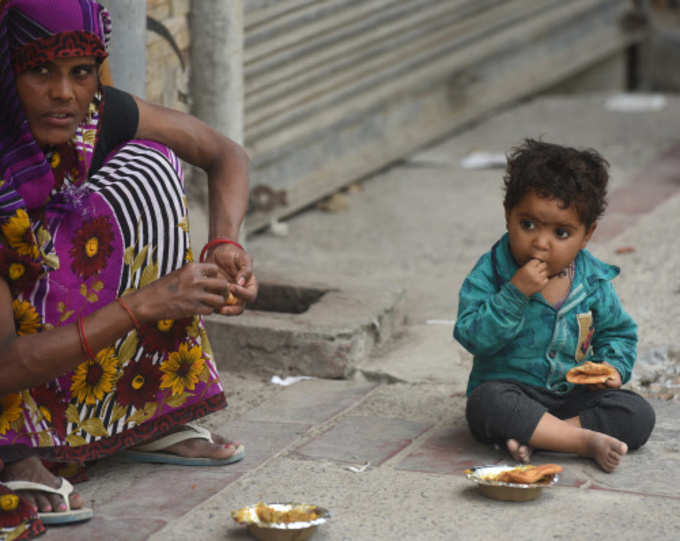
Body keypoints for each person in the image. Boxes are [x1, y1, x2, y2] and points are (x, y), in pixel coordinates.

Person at [0, 0, 257, 530]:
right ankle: (11, 447)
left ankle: (148, 410)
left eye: (81, 72)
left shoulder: (92, 115)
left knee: (151, 163)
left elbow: (225, 154)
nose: (63, 94)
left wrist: (224, 245)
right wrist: (146, 303)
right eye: (38, 71)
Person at [454, 138, 655, 473]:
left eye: (561, 233)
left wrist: (613, 368)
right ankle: (581, 441)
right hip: (512, 392)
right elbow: (472, 336)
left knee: (638, 415)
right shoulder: (490, 272)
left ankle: (542, 436)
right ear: (508, 215)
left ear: (587, 235)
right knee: (484, 405)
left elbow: (619, 334)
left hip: (573, 396)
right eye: (528, 225)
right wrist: (514, 294)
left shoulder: (592, 282)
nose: (541, 243)